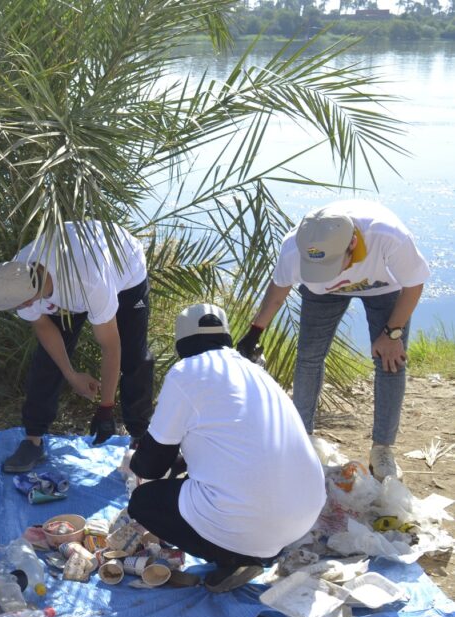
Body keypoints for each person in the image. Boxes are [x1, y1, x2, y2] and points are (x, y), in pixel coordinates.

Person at [128, 304, 325, 592]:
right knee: (212, 489)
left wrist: (136, 462)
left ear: (181, 344)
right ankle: (259, 548)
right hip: (303, 516)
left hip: (253, 521)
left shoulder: (185, 372)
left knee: (143, 502)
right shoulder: (255, 371)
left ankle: (236, 556)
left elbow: (151, 465)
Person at [236, 200, 429, 481]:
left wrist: (392, 334)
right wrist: (253, 333)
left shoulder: (388, 237)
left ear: (352, 243)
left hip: (382, 286)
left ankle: (382, 450)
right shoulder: (294, 247)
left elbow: (414, 285)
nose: (333, 273)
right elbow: (277, 295)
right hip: (321, 293)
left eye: (332, 264)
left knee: (391, 359)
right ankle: (302, 440)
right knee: (308, 357)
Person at [0, 220, 154, 473]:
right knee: (48, 360)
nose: (19, 311)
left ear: (30, 298)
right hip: (67, 276)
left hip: (123, 265)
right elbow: (45, 328)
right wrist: (72, 375)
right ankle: (33, 439)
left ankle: (139, 435)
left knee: (134, 357)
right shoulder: (15, 277)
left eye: (20, 307)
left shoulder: (91, 284)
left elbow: (111, 346)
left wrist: (105, 408)